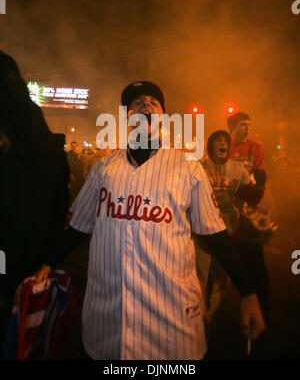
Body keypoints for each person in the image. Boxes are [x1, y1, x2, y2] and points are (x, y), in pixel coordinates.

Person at [36, 81, 265, 360]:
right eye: (136, 103)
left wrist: (248, 293)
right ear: (127, 118)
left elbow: (216, 237)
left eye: (153, 102)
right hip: (108, 319)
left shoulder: (188, 169)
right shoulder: (103, 169)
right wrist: (47, 262)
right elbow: (77, 228)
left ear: (163, 119)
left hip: (171, 321)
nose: (145, 105)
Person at [0, 51, 70, 354]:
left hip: (24, 272)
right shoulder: (39, 145)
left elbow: (59, 211)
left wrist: (49, 259)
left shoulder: (42, 152)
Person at [194, 130, 264, 324]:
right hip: (200, 234)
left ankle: (209, 317)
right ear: (211, 145)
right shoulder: (200, 168)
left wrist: (259, 187)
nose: (222, 144)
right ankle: (196, 318)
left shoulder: (238, 170)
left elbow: (250, 198)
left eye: (226, 141)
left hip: (227, 234)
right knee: (198, 277)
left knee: (220, 280)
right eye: (218, 141)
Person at [227, 112, 270, 327]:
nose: (247, 129)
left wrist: (256, 188)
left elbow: (257, 179)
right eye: (243, 125)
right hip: (224, 214)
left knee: (255, 266)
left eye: (249, 125)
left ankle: (262, 310)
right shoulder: (221, 145)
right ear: (231, 126)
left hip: (247, 213)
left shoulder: (256, 149)